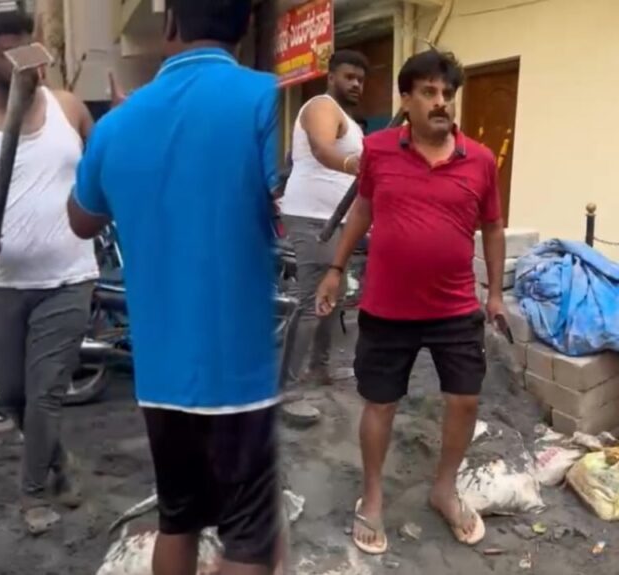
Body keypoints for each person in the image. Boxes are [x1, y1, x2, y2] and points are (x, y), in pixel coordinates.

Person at [67, 1, 282, 573]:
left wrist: (118, 141)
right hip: (242, 377)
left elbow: (81, 219)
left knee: (178, 520)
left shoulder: (117, 126)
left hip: (161, 377)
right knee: (249, 540)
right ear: (244, 27)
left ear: (169, 25)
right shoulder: (267, 99)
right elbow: (287, 200)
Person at [316, 49, 506, 555]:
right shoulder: (378, 150)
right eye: (428, 92)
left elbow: (492, 227)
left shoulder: (480, 160)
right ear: (406, 99)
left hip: (454, 308)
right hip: (387, 307)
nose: (441, 102)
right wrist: (335, 269)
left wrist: (494, 294)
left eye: (447, 93)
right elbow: (363, 208)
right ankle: (373, 497)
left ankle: (444, 489)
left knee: (464, 399)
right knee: (381, 402)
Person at [0, 9, 99, 535]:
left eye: (26, 47)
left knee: (45, 390)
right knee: (12, 392)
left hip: (69, 278)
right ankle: (59, 460)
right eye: (7, 53)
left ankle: (32, 494)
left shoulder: (70, 110)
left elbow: (103, 168)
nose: (21, 60)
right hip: (3, 283)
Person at [279, 50, 368, 387]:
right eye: (349, 77)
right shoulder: (321, 106)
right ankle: (285, 383)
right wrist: (352, 164)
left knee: (336, 293)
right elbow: (321, 148)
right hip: (313, 217)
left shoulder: (350, 122)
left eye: (360, 80)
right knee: (312, 299)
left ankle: (319, 368)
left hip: (338, 220)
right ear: (331, 77)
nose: (356, 84)